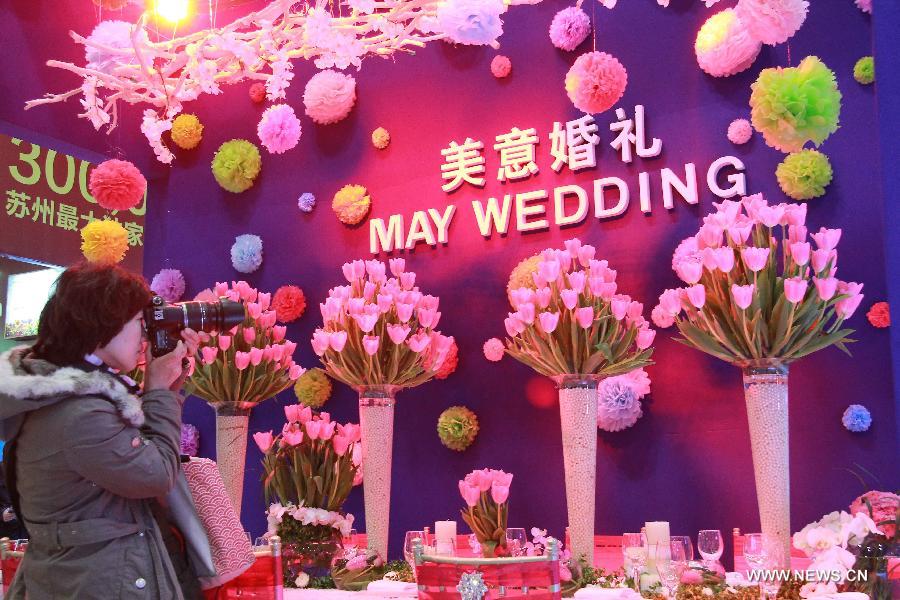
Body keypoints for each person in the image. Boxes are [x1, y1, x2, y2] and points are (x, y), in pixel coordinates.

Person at [0, 262, 211, 599]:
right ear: (103, 325)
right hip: (99, 583)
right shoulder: (79, 413)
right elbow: (155, 474)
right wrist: (157, 389)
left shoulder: (66, 394)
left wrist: (167, 389)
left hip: (88, 577)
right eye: (139, 325)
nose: (144, 338)